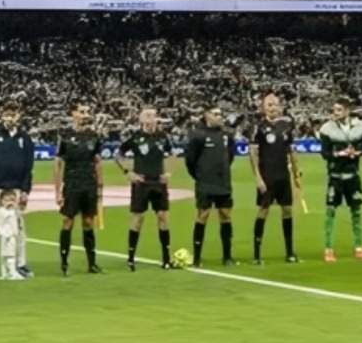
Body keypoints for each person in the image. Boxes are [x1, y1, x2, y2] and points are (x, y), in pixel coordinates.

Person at [0, 102, 35, 281]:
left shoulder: (25, 138)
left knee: (18, 227)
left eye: (13, 113)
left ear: (19, 115)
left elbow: (28, 166)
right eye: (7, 113)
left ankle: (20, 263)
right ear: (1, 115)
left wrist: (26, 189)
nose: (10, 117)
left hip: (17, 188)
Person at [247, 90, 302, 265]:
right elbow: (253, 154)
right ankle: (256, 255)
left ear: (280, 107)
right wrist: (258, 178)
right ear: (263, 107)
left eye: (275, 104)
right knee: (263, 210)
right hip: (267, 176)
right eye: (269, 105)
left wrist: (296, 173)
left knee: (287, 210)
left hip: (282, 176)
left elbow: (291, 151)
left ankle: (290, 252)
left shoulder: (286, 125)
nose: (272, 108)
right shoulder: (258, 127)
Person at [52, 102, 104, 276]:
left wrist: (100, 187)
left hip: (88, 184)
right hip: (72, 184)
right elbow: (58, 163)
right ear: (73, 114)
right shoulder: (65, 135)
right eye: (81, 112)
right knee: (68, 221)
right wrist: (57, 190)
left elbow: (97, 161)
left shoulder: (93, 135)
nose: (85, 115)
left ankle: (92, 263)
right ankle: (64, 263)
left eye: (87, 112)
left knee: (88, 223)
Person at [119, 106, 174, 271]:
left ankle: (166, 258)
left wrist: (169, 172)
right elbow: (119, 154)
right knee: (138, 218)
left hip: (158, 182)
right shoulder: (135, 137)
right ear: (141, 119)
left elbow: (172, 154)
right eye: (148, 116)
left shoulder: (163, 137)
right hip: (141, 183)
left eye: (154, 115)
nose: (151, 119)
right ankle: (130, 258)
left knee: (163, 217)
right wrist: (128, 172)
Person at [318, 98, 362, 262]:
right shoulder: (326, 129)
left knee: (356, 211)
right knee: (331, 211)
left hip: (353, 176)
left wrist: (357, 153)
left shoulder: (360, 127)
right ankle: (328, 249)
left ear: (347, 110)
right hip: (335, 176)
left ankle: (359, 248)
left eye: (339, 109)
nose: (335, 113)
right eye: (334, 109)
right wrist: (339, 154)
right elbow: (324, 153)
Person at [184, 106, 235, 268]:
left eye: (221, 114)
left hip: (223, 182)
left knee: (225, 215)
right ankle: (197, 257)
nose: (220, 117)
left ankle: (227, 256)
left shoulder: (227, 135)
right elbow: (190, 161)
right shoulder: (198, 135)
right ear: (207, 116)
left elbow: (230, 157)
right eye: (216, 114)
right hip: (205, 183)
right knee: (203, 215)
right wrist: (200, 176)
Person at [0, 190, 24, 280]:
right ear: (1, 201)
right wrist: (3, 233)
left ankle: (6, 273)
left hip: (13, 235)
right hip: (6, 236)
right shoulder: (1, 212)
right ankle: (11, 272)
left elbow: (18, 219)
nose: (9, 202)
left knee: (11, 252)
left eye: (12, 200)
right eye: (6, 200)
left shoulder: (14, 211)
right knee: (8, 254)